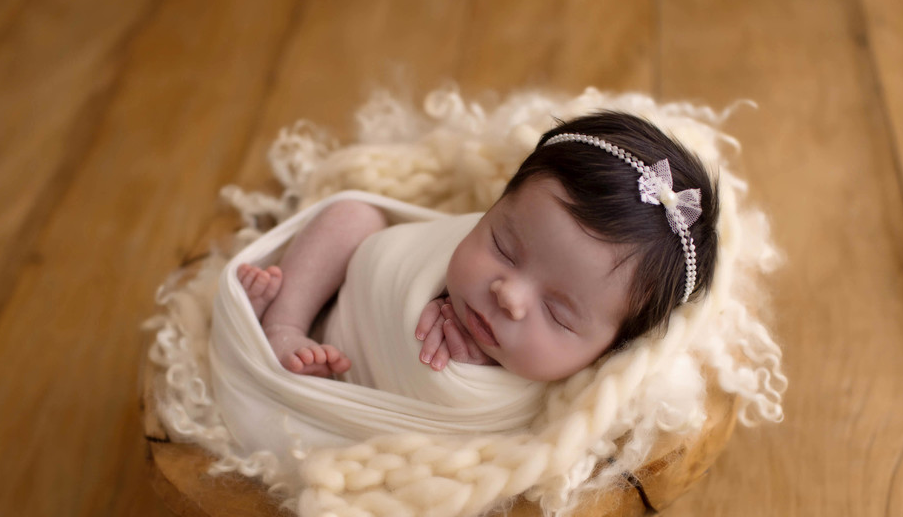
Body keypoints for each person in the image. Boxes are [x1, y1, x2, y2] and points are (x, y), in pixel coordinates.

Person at [236, 110, 720, 384]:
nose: (508, 295)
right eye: (504, 247)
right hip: (339, 299)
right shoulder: (481, 242)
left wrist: (465, 380)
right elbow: (411, 251)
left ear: (611, 350)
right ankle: (282, 321)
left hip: (357, 397)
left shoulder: (563, 397)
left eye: (558, 314)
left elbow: (467, 451)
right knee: (352, 216)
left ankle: (310, 379)